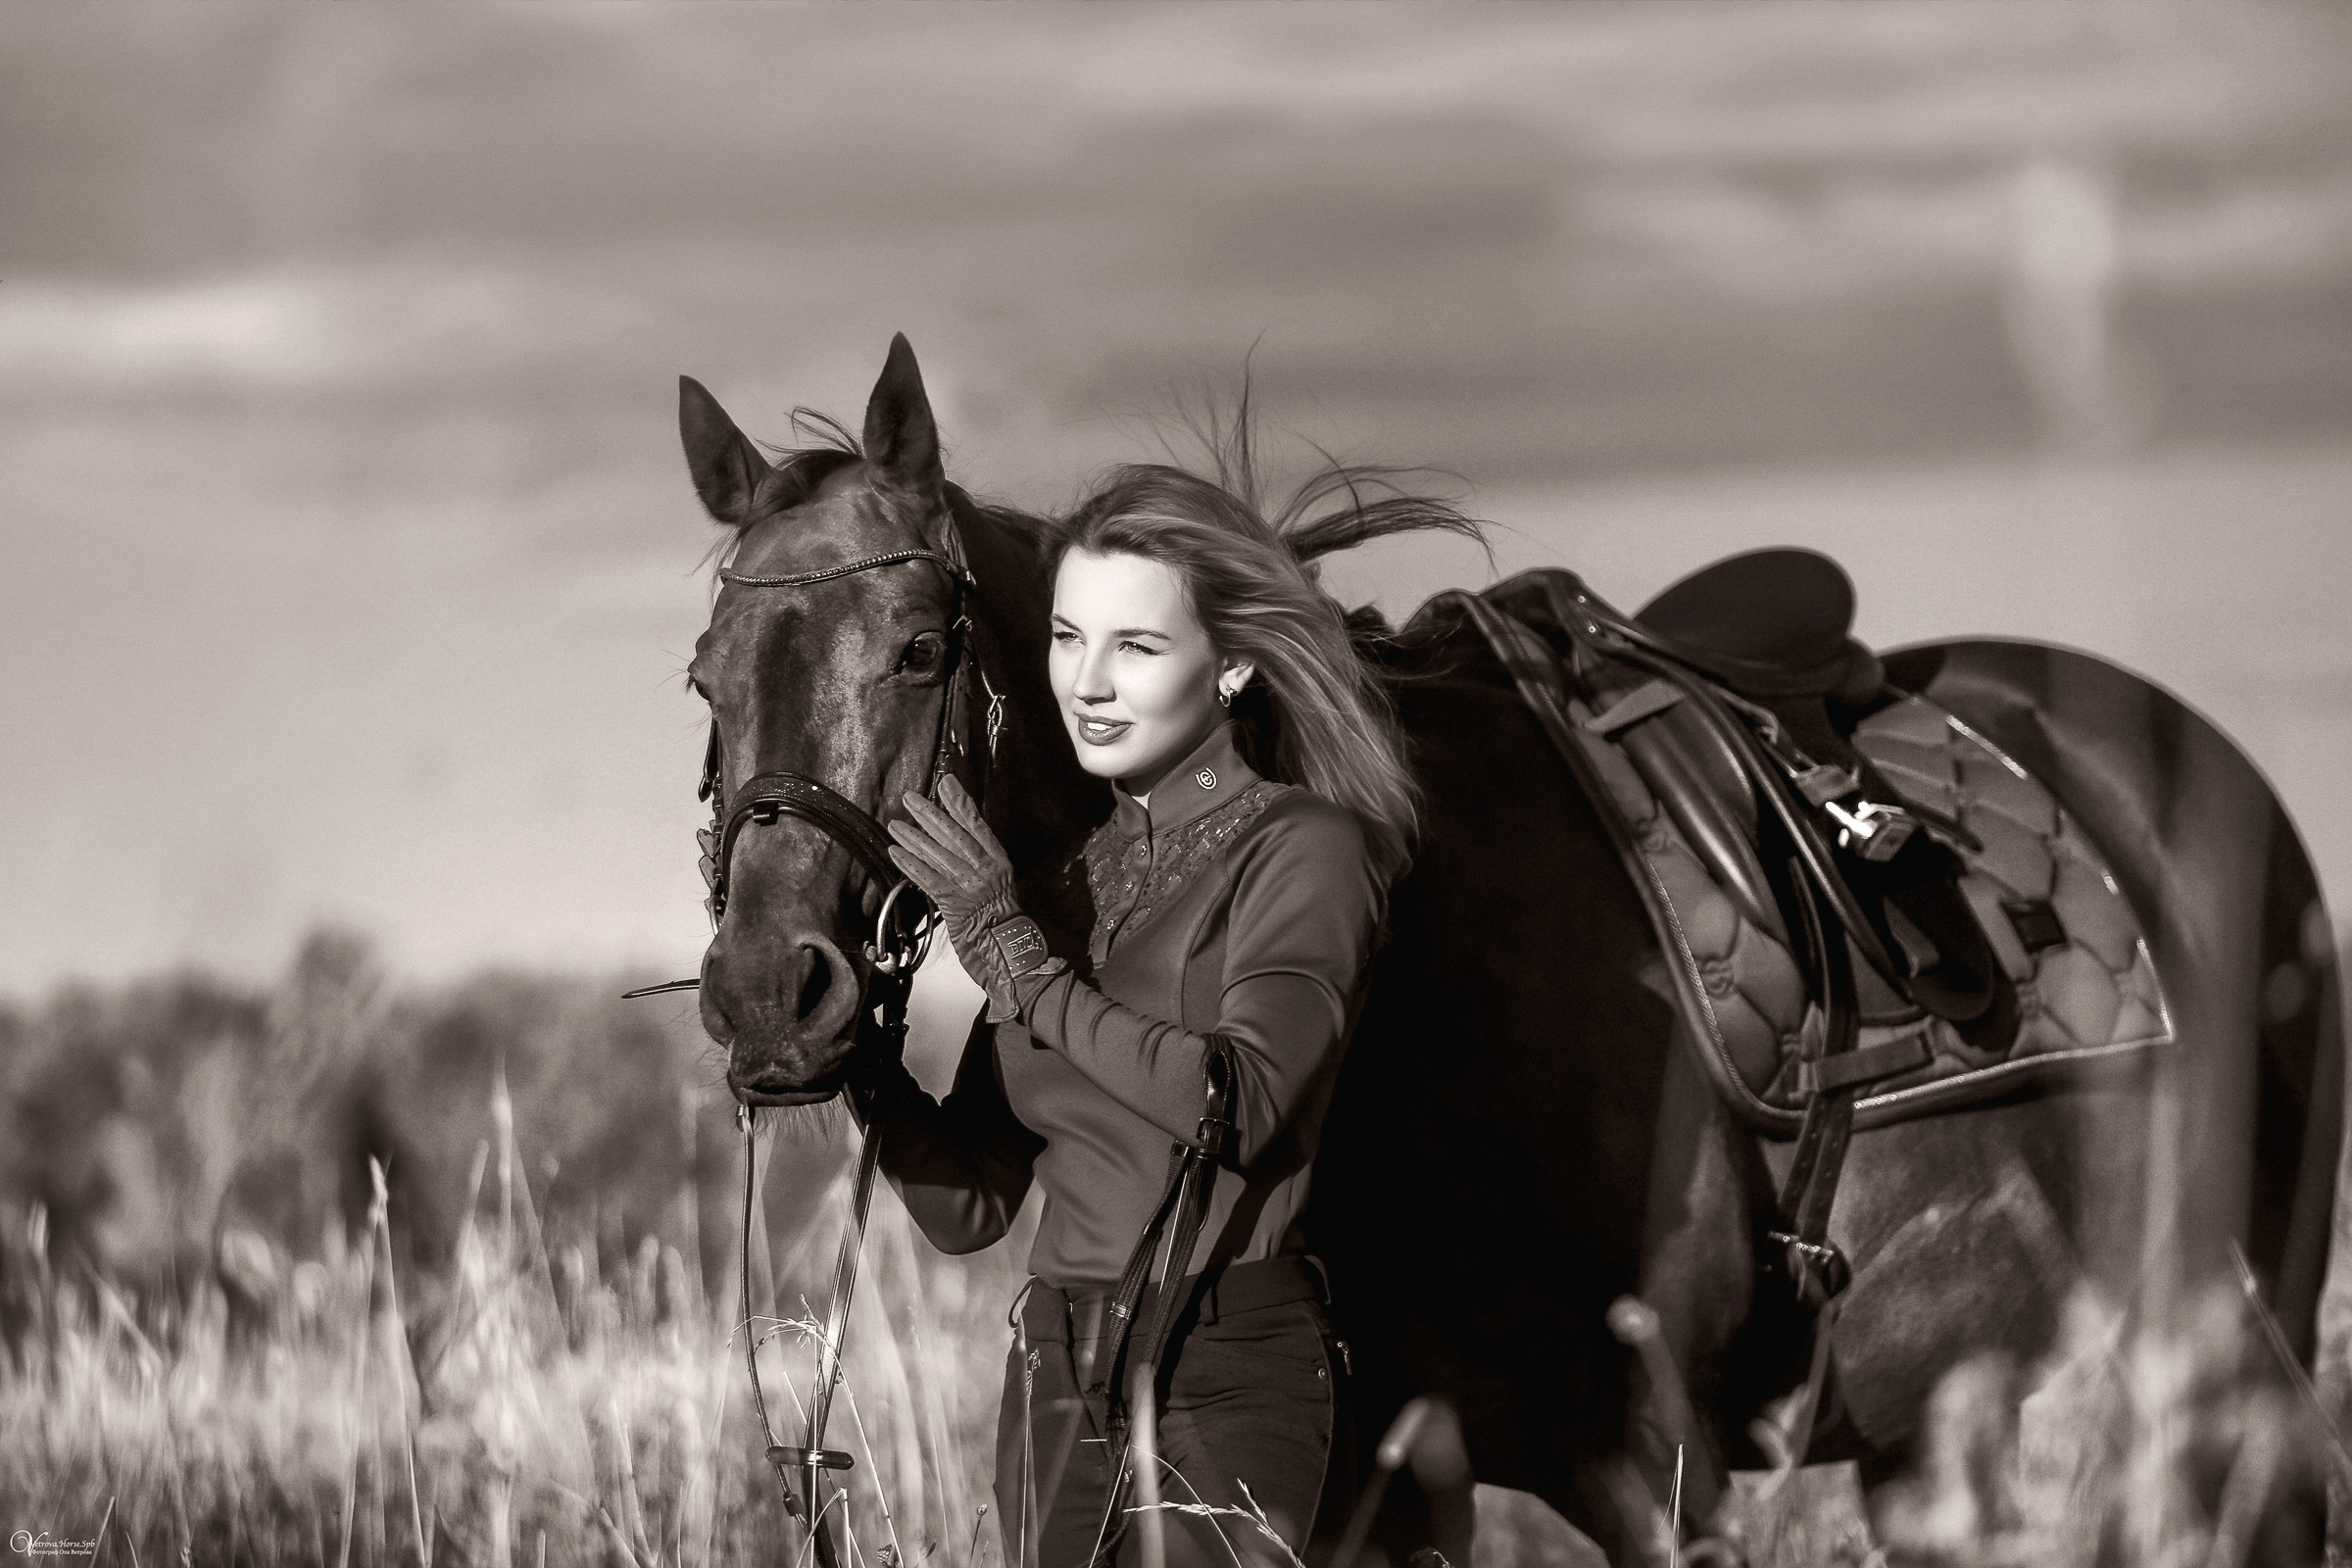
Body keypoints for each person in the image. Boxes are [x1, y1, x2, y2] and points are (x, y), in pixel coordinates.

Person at [849, 450, 1457, 1567]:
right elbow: (970, 1207)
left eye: (1136, 645)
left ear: (1228, 667)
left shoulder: (1307, 848)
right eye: (1069, 637)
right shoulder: (1058, 887)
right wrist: (854, 1056)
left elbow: (1244, 1101)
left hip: (1229, 1362)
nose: (1086, 682)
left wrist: (1012, 957)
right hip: (1051, 1372)